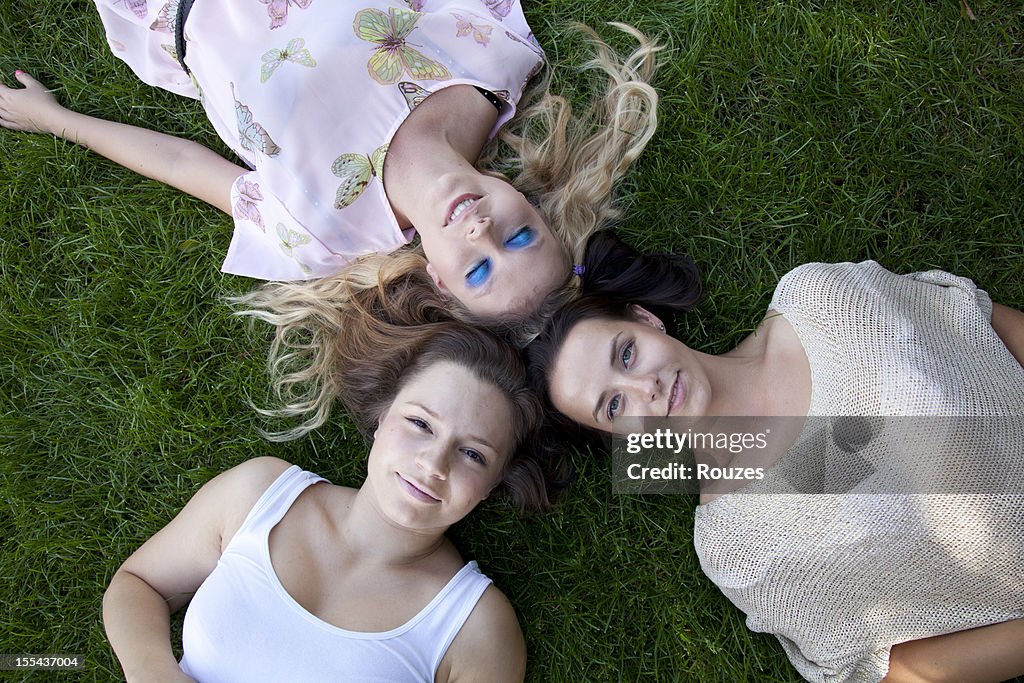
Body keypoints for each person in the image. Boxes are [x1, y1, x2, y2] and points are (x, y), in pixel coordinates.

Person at [523, 232, 1024, 683]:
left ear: (645, 319)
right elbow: (903, 669)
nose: (644, 389)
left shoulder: (819, 300)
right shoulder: (737, 550)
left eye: (626, 354)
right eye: (614, 405)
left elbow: (979, 322)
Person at [0, 0, 660, 321]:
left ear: (442, 283)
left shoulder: (324, 233)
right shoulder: (497, 60)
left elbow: (179, 162)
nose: (483, 231)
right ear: (536, 208)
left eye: (481, 267)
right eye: (520, 235)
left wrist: (53, 120)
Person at [103, 321, 557, 682]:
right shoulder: (259, 495)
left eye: (473, 454)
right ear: (381, 417)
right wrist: (153, 673)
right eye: (421, 424)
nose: (434, 464)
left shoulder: (475, 631)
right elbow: (138, 584)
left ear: (493, 485)